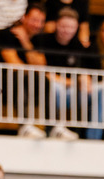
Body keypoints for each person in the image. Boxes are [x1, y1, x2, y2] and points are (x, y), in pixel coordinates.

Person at [0, 3, 46, 138]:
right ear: (24, 17)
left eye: (41, 21)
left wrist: (26, 42)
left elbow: (42, 66)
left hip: (18, 87)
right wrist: (33, 68)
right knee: (18, 77)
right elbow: (15, 65)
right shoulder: (7, 34)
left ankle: (53, 127)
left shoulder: (36, 39)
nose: (37, 24)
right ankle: (24, 125)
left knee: (44, 81)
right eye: (34, 20)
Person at [27, 7, 86, 140]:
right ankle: (56, 128)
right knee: (53, 86)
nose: (67, 30)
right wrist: (61, 80)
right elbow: (39, 69)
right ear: (56, 25)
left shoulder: (78, 46)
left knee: (90, 91)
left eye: (71, 27)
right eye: (63, 26)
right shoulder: (42, 40)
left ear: (77, 27)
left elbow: (81, 75)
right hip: (46, 85)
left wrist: (78, 81)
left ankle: (91, 134)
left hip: (71, 88)